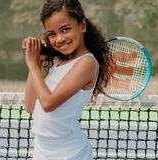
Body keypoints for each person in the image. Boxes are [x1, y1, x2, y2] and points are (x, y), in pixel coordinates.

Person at [22, 0, 111, 159]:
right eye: (52, 34)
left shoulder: (86, 63)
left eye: (65, 29)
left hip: (70, 154)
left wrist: (32, 65)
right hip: (42, 151)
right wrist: (36, 63)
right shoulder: (57, 62)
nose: (59, 39)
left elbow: (48, 103)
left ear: (82, 26)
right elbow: (30, 106)